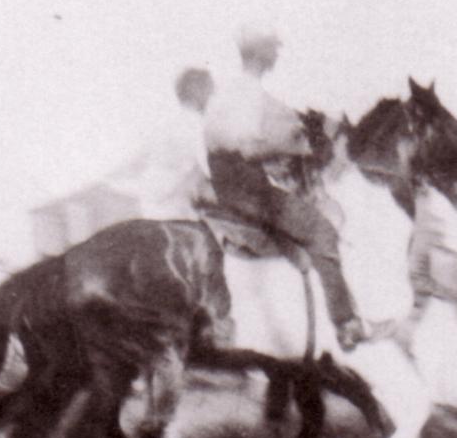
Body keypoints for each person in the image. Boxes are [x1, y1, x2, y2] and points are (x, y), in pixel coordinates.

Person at [204, 23, 367, 350]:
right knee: (323, 233)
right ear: (262, 53)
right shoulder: (251, 93)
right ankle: (346, 324)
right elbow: (250, 148)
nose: (278, 54)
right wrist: (297, 147)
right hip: (250, 191)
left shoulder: (224, 92)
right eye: (274, 48)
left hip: (226, 185)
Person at [110, 66, 216, 221]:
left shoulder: (165, 123)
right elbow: (209, 168)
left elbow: (137, 160)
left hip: (149, 200)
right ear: (199, 92)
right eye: (210, 91)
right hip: (176, 203)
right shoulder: (197, 125)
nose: (213, 97)